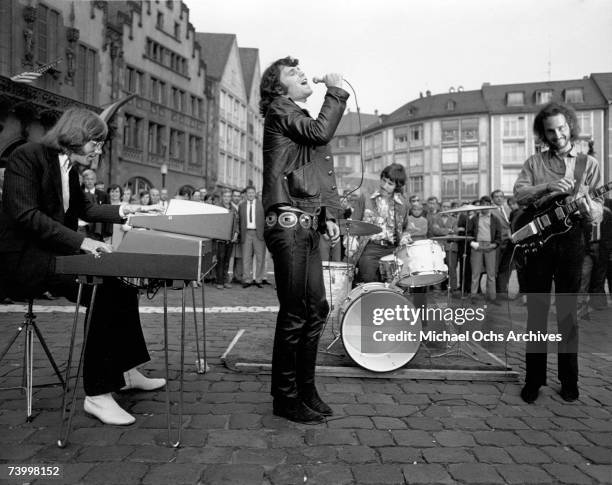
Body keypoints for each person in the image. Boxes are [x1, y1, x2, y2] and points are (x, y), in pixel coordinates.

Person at [0, 108, 165, 426]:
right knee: (102, 284)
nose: (99, 150)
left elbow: (85, 208)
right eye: (96, 142)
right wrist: (83, 243)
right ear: (76, 134)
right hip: (24, 260)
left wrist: (134, 209)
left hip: (53, 255)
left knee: (122, 278)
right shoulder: (28, 156)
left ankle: (127, 370)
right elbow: (26, 215)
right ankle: (98, 395)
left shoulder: (69, 168)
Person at [260, 56, 345, 423]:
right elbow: (320, 134)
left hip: (305, 222)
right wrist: (336, 91)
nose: (302, 74)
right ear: (279, 88)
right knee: (295, 312)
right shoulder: (281, 109)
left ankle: (305, 388)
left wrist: (329, 215)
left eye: (300, 70)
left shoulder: (296, 116)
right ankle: (285, 397)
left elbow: (313, 169)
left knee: (316, 309)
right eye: (292, 73)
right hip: (288, 222)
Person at [514, 102, 603, 404]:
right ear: (543, 133)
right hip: (539, 241)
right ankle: (534, 379)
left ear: (570, 126)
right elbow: (519, 194)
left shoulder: (588, 164)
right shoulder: (534, 162)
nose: (557, 135)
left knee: (568, 313)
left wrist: (592, 211)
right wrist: (549, 185)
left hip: (572, 241)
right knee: (536, 312)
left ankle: (569, 380)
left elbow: (598, 210)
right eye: (550, 131)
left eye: (561, 128)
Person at [352, 163, 411, 284]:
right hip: (370, 248)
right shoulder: (366, 197)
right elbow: (352, 223)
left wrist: (405, 237)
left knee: (393, 288)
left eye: (390, 184)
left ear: (397, 186)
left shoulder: (403, 204)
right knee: (367, 283)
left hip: (392, 250)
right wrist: (351, 243)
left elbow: (404, 228)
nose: (384, 186)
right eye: (383, 181)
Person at [467, 196, 501, 303]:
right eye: (483, 205)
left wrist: (494, 245)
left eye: (487, 205)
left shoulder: (495, 219)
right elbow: (468, 234)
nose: (485, 207)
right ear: (480, 206)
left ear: (490, 206)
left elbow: (499, 236)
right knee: (475, 273)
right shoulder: (474, 219)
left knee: (491, 274)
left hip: (490, 246)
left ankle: (492, 297)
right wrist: (473, 244)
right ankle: (473, 296)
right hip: (477, 246)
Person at [239, 185, 266, 288]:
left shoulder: (262, 205)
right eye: (248, 193)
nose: (250, 195)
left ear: (255, 193)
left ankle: (258, 279)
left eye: (252, 193)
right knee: (246, 258)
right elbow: (239, 220)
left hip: (258, 234)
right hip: (246, 233)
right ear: (246, 194)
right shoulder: (242, 205)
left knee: (260, 258)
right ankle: (247, 279)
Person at [215, 189, 239, 289]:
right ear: (222, 197)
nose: (227, 198)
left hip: (230, 238)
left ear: (230, 198)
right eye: (225, 196)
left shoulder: (234, 209)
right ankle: (219, 281)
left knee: (227, 260)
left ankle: (225, 280)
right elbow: (215, 222)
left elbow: (237, 223)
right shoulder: (218, 207)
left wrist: (236, 233)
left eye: (229, 196)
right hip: (221, 238)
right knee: (220, 259)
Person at [491, 189, 513, 299]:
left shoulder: (508, 209)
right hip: (498, 243)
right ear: (493, 199)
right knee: (496, 268)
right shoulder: (490, 211)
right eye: (496, 196)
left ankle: (503, 290)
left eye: (501, 196)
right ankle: (496, 293)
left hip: (509, 242)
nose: (499, 198)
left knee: (506, 268)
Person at [230, 189, 244, 283]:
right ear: (232, 196)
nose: (236, 197)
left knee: (239, 257)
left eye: (238, 196)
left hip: (241, 236)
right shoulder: (228, 206)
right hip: (231, 235)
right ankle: (228, 277)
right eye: (235, 196)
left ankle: (237, 276)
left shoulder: (242, 206)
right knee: (230, 257)